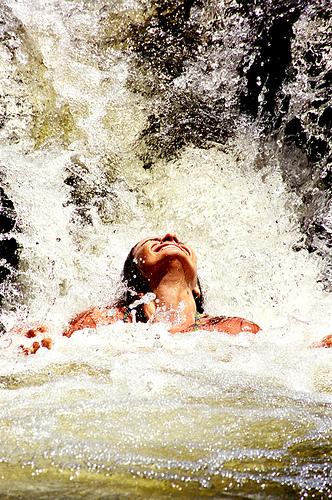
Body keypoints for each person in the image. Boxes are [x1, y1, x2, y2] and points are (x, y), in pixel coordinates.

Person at [17, 232, 332, 353]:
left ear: (195, 286)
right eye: (151, 240)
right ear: (135, 274)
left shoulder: (234, 327)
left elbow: (286, 356)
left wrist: (320, 347)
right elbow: (47, 343)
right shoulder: (106, 321)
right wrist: (30, 338)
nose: (170, 235)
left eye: (178, 241)